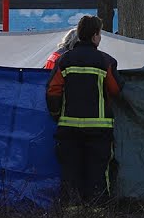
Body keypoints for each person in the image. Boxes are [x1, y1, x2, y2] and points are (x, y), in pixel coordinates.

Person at [46, 15, 123, 203]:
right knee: (98, 170)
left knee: (70, 170)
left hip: (68, 128)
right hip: (99, 129)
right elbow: (116, 89)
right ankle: (97, 210)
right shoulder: (106, 61)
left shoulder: (64, 61)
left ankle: (72, 210)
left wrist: (57, 115)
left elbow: (53, 90)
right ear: (96, 36)